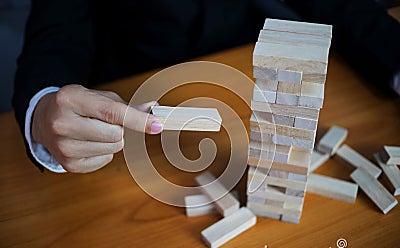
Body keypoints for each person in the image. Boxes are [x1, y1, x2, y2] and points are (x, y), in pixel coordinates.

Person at [13, 0, 400, 173]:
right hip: (128, 90)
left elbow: (341, 5)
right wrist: (43, 109)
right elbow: (55, 36)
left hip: (248, 69)